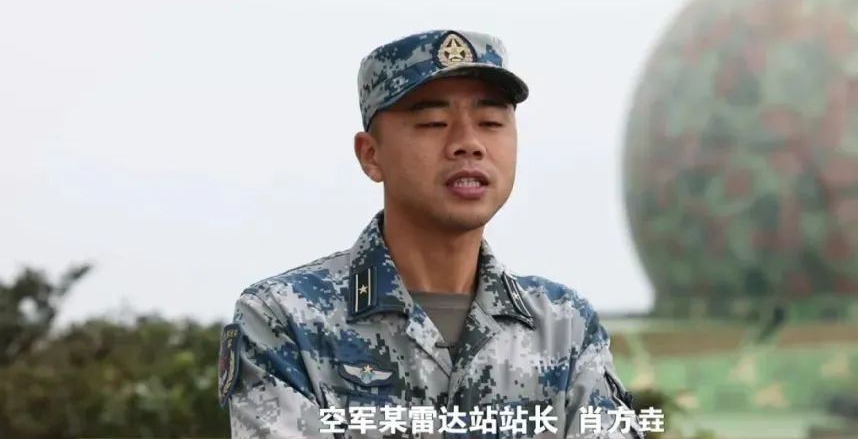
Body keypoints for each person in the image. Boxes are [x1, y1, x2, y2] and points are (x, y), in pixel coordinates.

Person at [218, 30, 644, 439]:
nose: (468, 143)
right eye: (434, 122)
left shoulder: (564, 327)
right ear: (371, 155)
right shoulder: (287, 318)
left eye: (491, 122)